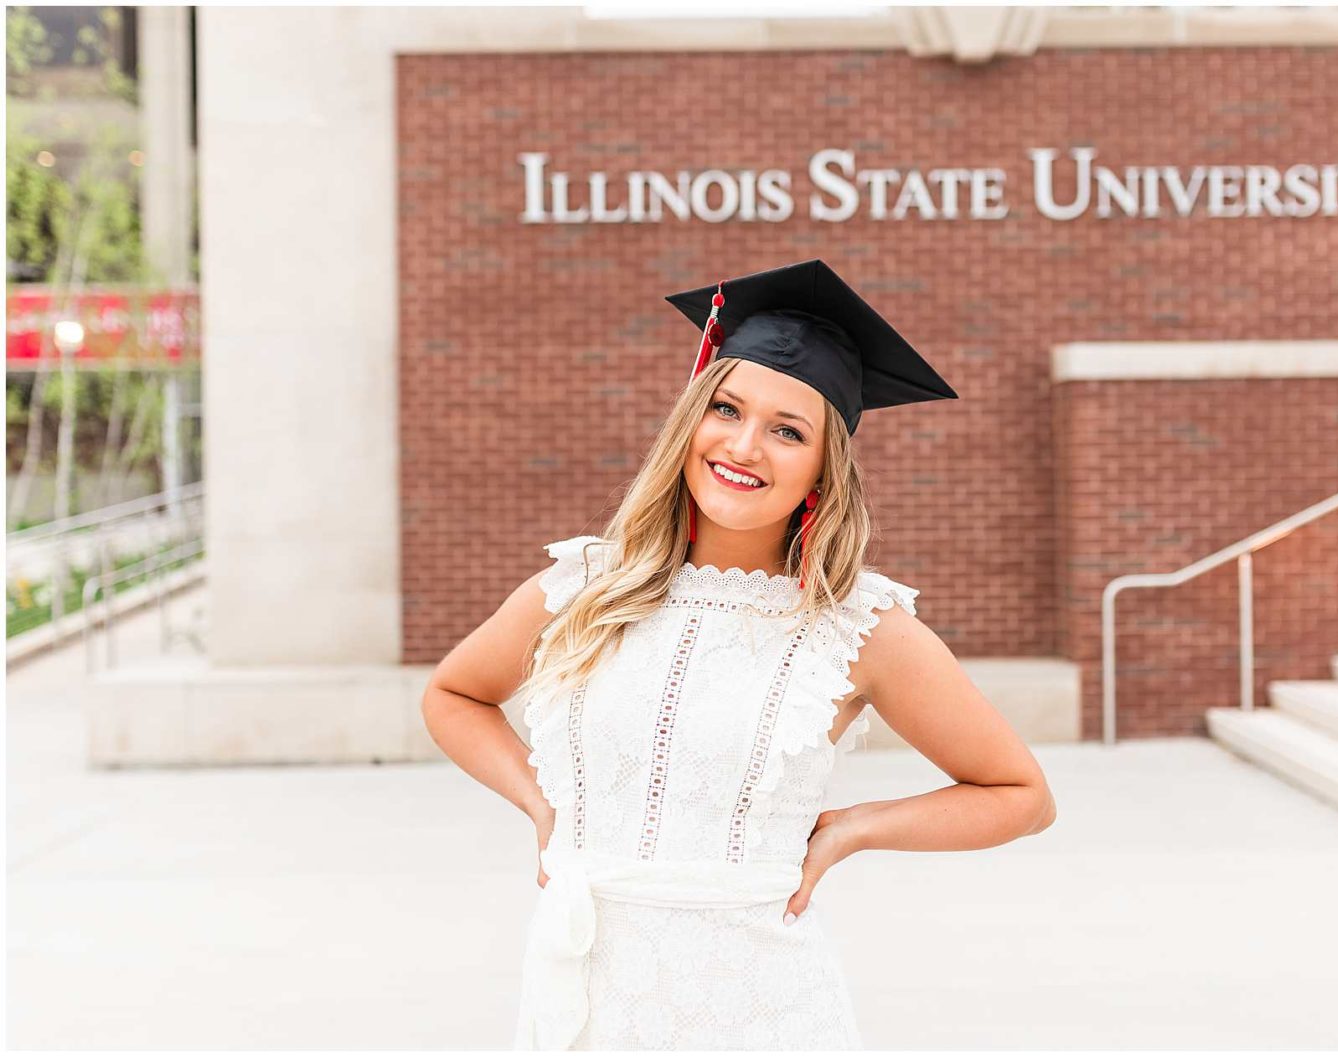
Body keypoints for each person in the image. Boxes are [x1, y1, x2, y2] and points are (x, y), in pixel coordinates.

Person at [421, 258, 1057, 1050]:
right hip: (583, 998)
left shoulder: (856, 626)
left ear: (825, 467)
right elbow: (453, 695)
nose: (744, 445)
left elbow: (1021, 794)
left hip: (762, 1008)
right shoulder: (587, 581)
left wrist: (854, 827)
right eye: (726, 408)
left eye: (788, 429)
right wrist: (543, 807)